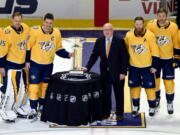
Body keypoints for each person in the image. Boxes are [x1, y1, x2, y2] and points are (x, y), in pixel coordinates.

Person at [26, 13, 74, 119]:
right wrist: (27, 61)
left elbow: (58, 49)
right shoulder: (35, 31)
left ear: (53, 23)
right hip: (35, 64)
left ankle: (42, 106)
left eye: (50, 23)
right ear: (43, 22)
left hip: (48, 65)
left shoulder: (56, 33)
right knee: (34, 87)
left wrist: (68, 54)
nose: (48, 25)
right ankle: (33, 108)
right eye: (46, 22)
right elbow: (28, 47)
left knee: (44, 87)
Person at [81, 23, 129, 121]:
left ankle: (119, 113)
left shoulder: (120, 41)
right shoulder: (99, 41)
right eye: (105, 30)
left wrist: (123, 72)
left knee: (119, 94)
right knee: (106, 94)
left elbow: (125, 57)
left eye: (109, 29)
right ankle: (106, 113)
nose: (107, 31)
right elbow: (94, 56)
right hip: (105, 73)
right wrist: (87, 67)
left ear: (112, 30)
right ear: (103, 31)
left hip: (118, 73)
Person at [147, 8, 179, 114]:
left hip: (168, 59)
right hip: (155, 59)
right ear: (157, 16)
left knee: (169, 82)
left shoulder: (173, 27)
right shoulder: (151, 25)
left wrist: (177, 57)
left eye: (163, 16)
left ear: (166, 16)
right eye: (159, 16)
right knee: (155, 81)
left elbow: (176, 43)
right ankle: (156, 99)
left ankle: (170, 102)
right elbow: (147, 42)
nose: (161, 18)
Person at [125, 17, 159, 117]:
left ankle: (152, 107)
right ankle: (135, 107)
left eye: (140, 24)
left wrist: (154, 66)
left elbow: (155, 51)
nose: (139, 26)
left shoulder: (150, 35)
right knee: (135, 88)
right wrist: (126, 65)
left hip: (148, 68)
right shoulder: (129, 35)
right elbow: (125, 51)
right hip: (134, 67)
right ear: (134, 24)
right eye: (137, 24)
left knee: (150, 89)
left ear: (143, 24)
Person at [0, 12, 30, 122]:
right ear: (12, 20)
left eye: (19, 20)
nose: (17, 23)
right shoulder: (6, 32)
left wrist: (27, 61)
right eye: (15, 21)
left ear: (21, 19)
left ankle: (15, 108)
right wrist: (1, 66)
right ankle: (4, 109)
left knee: (21, 89)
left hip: (21, 66)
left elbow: (28, 46)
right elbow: (2, 51)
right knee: (10, 90)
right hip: (10, 66)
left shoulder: (26, 28)